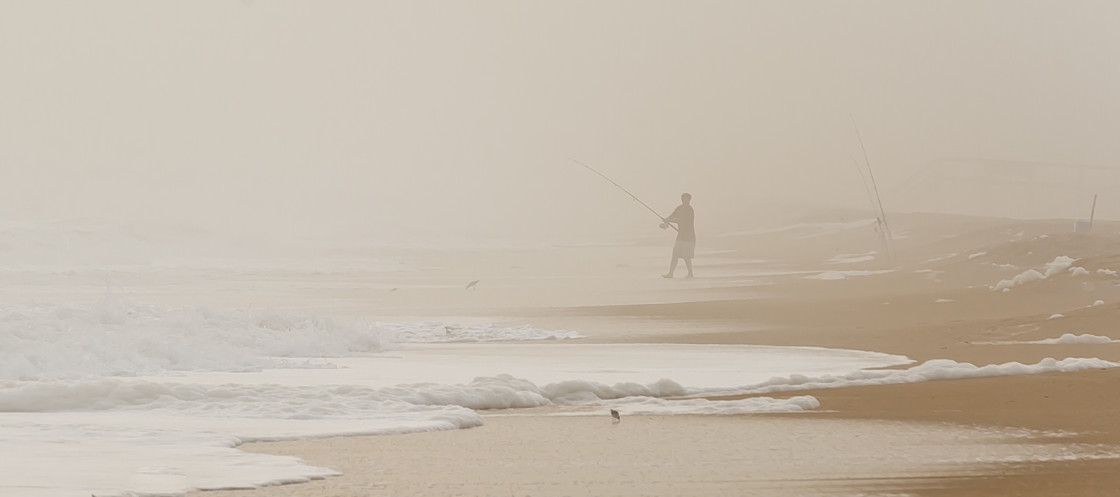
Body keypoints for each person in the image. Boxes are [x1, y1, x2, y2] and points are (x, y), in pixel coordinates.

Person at [662, 193, 695, 278]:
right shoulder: (679, 208)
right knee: (675, 255)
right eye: (683, 199)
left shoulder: (690, 210)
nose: (685, 200)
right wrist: (666, 220)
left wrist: (669, 220)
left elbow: (681, 220)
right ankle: (671, 274)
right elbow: (673, 216)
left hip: (689, 236)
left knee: (686, 256)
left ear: (689, 200)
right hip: (681, 235)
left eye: (686, 199)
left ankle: (690, 274)